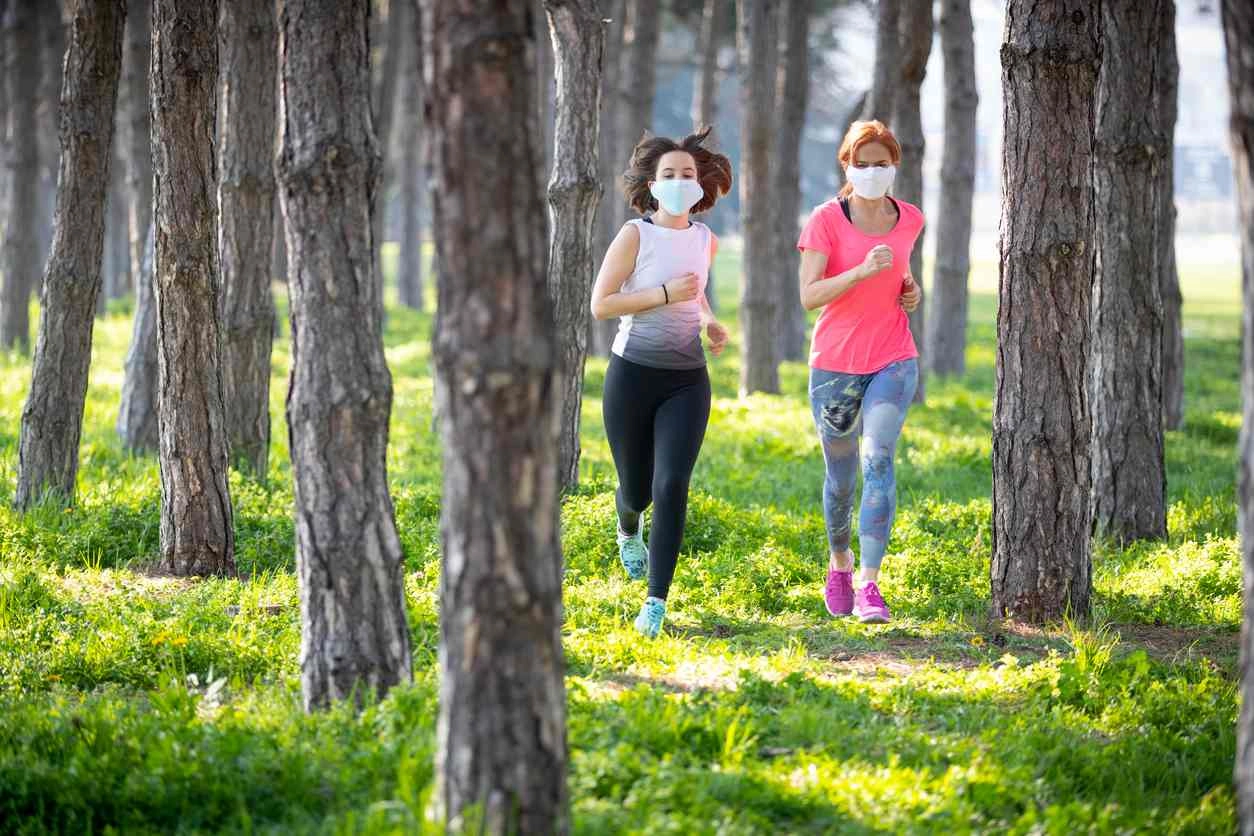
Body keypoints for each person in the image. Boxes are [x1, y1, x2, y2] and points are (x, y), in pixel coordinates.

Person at [589, 127, 732, 638]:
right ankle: (627, 524)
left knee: (671, 484)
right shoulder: (635, 235)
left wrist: (709, 320)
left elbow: (696, 293)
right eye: (668, 174)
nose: (679, 181)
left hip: (687, 381)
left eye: (687, 174)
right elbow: (601, 304)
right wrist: (665, 294)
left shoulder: (704, 239)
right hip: (632, 376)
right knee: (638, 490)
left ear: (700, 184)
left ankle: (655, 603)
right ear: (652, 184)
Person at [796, 120, 922, 624]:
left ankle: (870, 583)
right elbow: (809, 297)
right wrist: (861, 272)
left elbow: (902, 279)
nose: (872, 171)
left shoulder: (910, 218)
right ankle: (840, 565)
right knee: (841, 479)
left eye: (882, 163)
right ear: (847, 165)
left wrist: (911, 292)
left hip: (893, 357)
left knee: (878, 461)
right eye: (862, 163)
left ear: (895, 165)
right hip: (834, 366)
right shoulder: (826, 219)